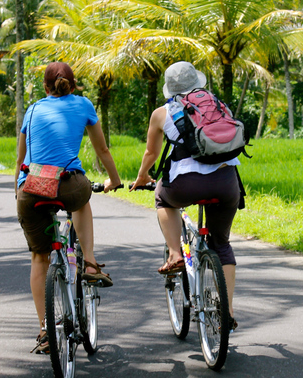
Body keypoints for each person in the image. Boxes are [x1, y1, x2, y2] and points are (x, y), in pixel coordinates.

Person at [15, 61, 121, 353]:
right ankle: (89, 261)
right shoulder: (83, 104)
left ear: (46, 88)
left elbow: (20, 158)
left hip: (32, 188)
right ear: (72, 85)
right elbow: (102, 149)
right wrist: (114, 179)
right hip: (67, 183)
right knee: (81, 200)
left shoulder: (33, 109)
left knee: (40, 257)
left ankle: (45, 330)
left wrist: (18, 192)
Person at [130, 61, 242, 330]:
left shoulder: (162, 113)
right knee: (221, 244)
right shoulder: (217, 104)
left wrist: (142, 176)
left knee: (162, 198)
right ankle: (227, 311)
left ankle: (174, 254)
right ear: (197, 83)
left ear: (169, 88)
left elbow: (151, 154)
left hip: (185, 185)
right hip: (227, 184)